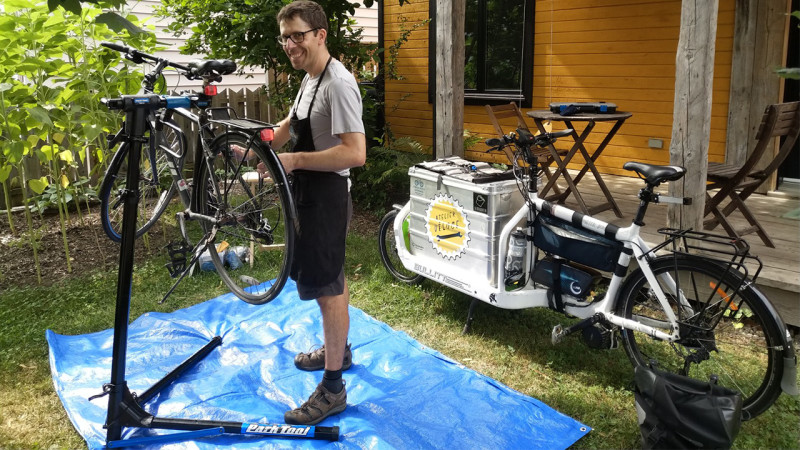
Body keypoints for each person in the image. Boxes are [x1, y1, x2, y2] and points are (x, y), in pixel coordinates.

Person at [267, 0, 366, 425]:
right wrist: (263, 143)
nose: (291, 45)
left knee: (326, 287)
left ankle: (332, 389)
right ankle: (338, 351)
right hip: (309, 192)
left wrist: (295, 160)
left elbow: (355, 152)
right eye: (285, 37)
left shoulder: (338, 84)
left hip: (328, 195)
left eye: (298, 36)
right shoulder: (310, 78)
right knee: (331, 278)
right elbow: (292, 121)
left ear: (320, 35)